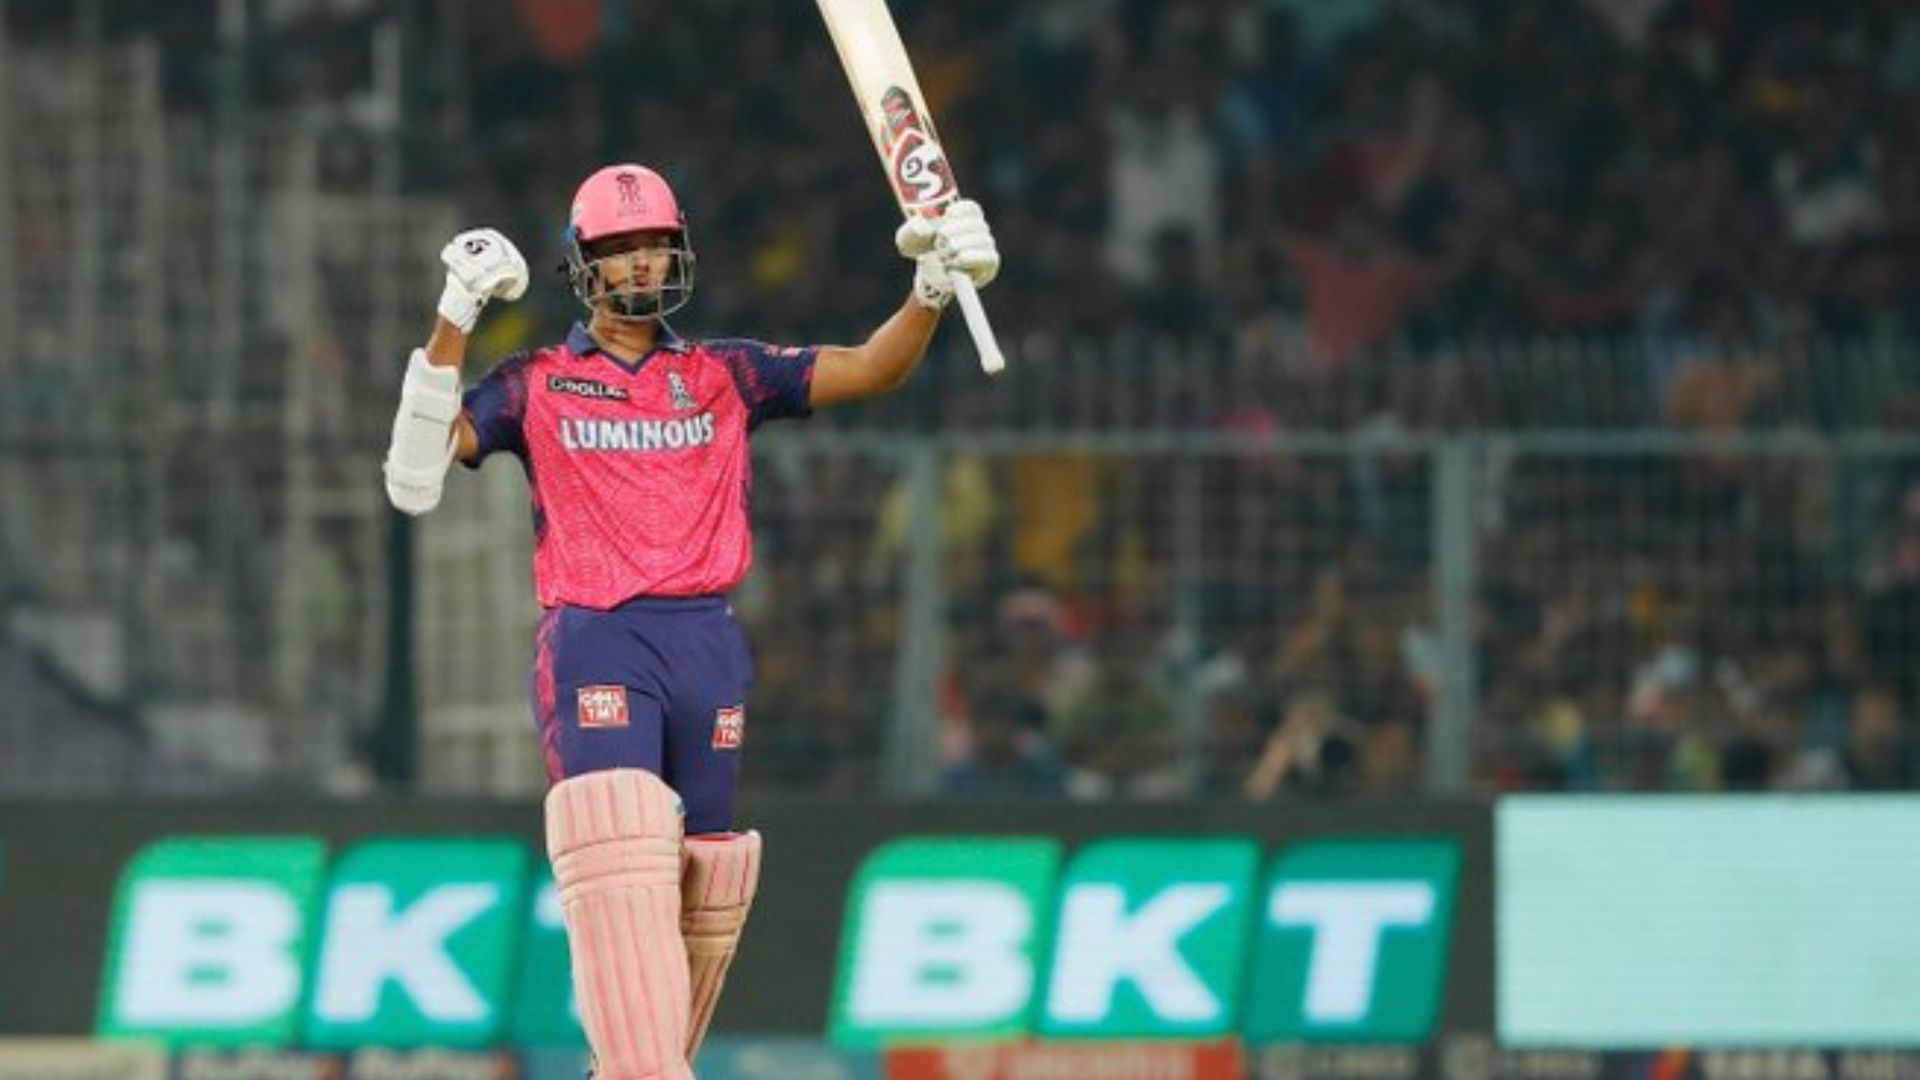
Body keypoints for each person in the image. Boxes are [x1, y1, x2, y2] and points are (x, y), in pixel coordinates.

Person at [380, 163, 999, 1080]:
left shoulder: (724, 374)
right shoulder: (535, 382)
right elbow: (413, 475)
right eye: (620, 249)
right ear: (584, 266)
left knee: (708, 879)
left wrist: (933, 288)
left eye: (654, 245)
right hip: (599, 633)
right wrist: (453, 317)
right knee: (621, 846)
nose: (641, 264)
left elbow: (873, 367)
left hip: (706, 642)